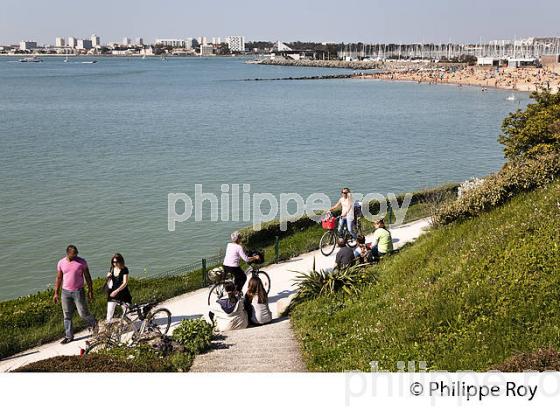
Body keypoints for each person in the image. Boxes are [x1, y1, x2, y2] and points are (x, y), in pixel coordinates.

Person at [53, 245, 97, 344]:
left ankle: (94, 324)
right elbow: (59, 278)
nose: (76, 256)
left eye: (77, 253)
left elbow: (88, 277)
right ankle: (69, 336)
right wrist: (56, 293)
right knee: (67, 315)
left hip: (78, 291)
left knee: (83, 313)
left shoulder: (82, 262)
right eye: (74, 254)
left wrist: (90, 290)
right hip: (65, 292)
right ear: (68, 253)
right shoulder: (61, 263)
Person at [105, 253, 132, 322]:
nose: (115, 264)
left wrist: (116, 291)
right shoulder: (112, 269)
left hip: (123, 293)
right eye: (113, 262)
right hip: (112, 293)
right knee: (109, 311)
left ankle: (129, 325)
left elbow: (125, 282)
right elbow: (109, 282)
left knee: (126, 311)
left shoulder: (124, 269)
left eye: (117, 262)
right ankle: (109, 325)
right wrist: (107, 277)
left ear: (121, 261)